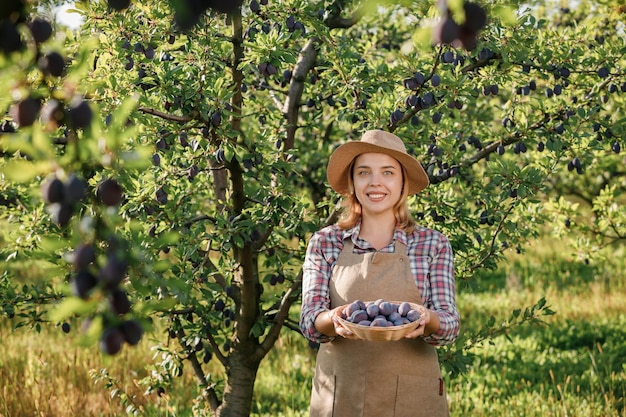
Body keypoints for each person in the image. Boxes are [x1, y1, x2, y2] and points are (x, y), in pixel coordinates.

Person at [299, 129, 460, 417]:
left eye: (387, 172)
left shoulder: (432, 244)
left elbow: (449, 325)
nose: (375, 182)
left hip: (413, 398)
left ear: (402, 183)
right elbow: (310, 321)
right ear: (352, 182)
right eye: (364, 172)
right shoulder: (325, 242)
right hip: (341, 396)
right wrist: (333, 319)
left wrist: (428, 319)